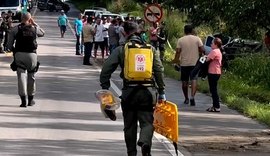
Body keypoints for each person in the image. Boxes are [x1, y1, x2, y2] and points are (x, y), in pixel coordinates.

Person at [99, 21, 166, 156]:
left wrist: (105, 87)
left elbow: (106, 70)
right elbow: (159, 70)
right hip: (148, 93)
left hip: (129, 92)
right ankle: (145, 142)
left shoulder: (121, 49)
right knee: (147, 122)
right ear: (138, 31)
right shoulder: (150, 49)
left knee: (129, 126)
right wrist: (162, 91)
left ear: (124, 33)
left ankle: (131, 152)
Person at [7, 12, 45, 107]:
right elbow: (42, 33)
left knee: (21, 77)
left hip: (19, 55)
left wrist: (13, 51)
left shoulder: (15, 29)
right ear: (30, 18)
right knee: (31, 76)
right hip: (32, 55)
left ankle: (23, 100)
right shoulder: (34, 28)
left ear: (21, 18)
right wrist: (34, 23)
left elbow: (9, 45)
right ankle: (31, 99)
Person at [172, 25, 204, 106]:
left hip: (184, 64)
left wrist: (176, 61)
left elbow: (178, 52)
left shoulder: (180, 40)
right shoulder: (197, 39)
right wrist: (199, 53)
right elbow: (202, 49)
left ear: (184, 31)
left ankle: (186, 98)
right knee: (194, 79)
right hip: (195, 63)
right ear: (192, 30)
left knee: (184, 81)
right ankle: (192, 97)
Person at [206, 38, 223, 112]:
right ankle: (215, 105)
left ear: (216, 44)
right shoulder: (218, 51)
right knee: (213, 89)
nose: (211, 44)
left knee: (213, 90)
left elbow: (207, 60)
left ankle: (216, 106)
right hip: (217, 72)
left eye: (212, 43)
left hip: (213, 72)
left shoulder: (214, 51)